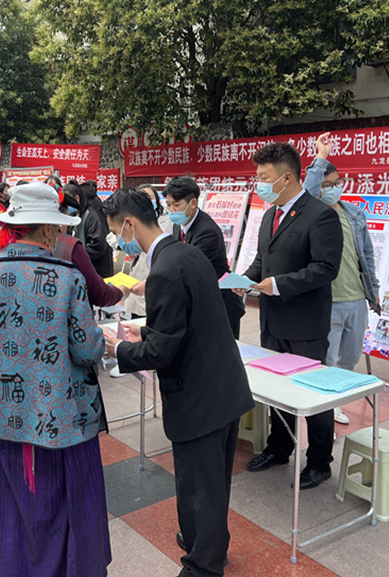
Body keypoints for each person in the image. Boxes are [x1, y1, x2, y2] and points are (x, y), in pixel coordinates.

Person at [101, 188, 254, 577]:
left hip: (199, 397)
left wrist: (121, 349)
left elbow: (161, 354)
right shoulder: (186, 253)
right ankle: (206, 541)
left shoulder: (164, 270)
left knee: (199, 486)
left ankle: (203, 565)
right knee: (213, 483)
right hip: (224, 387)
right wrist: (146, 332)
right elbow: (189, 322)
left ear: (130, 224)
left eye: (116, 231)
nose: (118, 240)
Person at [0, 182, 110, 576]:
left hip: (0, 417)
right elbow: (87, 350)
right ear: (46, 229)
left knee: (7, 510)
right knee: (63, 508)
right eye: (57, 227)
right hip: (58, 418)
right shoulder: (67, 277)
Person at [241, 142, 342, 490]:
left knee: (312, 394)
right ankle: (279, 447)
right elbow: (262, 261)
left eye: (264, 177)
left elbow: (325, 268)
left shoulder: (320, 215)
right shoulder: (270, 215)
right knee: (278, 389)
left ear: (286, 178)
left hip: (305, 324)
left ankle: (320, 461)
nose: (259, 183)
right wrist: (244, 281)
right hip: (273, 321)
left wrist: (279, 285)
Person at [302, 133, 381, 425]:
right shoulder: (313, 214)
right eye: (326, 185)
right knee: (329, 358)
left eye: (337, 183)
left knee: (350, 357)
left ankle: (337, 397)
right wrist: (321, 157)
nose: (333, 189)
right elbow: (307, 191)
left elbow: (366, 254)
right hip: (329, 301)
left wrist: (374, 289)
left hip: (357, 299)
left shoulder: (354, 214)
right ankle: (328, 407)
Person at [164, 176, 246, 338]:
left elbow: (189, 268)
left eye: (177, 205)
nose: (172, 210)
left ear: (193, 203)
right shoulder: (179, 224)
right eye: (168, 205)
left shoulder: (207, 231)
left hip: (220, 305)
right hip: (200, 302)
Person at [123, 184, 172, 319]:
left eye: (150, 197)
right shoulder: (131, 220)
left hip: (157, 270)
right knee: (137, 316)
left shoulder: (167, 219)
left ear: (157, 199)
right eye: (143, 197)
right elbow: (112, 236)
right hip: (138, 271)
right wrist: (127, 247)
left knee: (156, 313)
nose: (147, 200)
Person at [80, 180, 114, 277]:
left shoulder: (91, 212)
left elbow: (98, 242)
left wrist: (81, 256)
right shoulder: (99, 206)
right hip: (104, 263)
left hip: (97, 267)